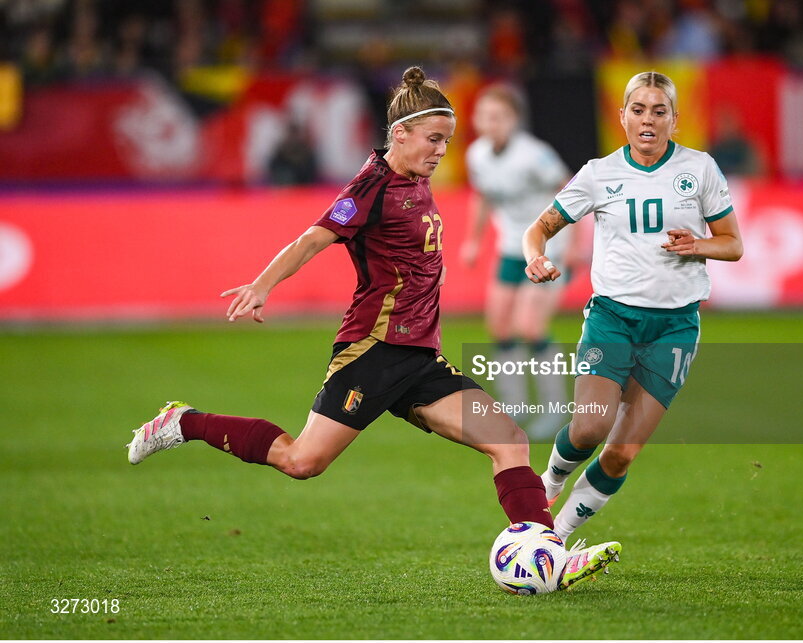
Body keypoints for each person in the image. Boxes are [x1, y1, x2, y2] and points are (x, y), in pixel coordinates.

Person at [125, 67, 620, 589]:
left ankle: (548, 553)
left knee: (509, 441)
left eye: (447, 141)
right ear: (399, 133)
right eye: (433, 139)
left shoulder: (418, 180)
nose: (440, 151)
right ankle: (183, 422)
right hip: (374, 351)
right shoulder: (370, 187)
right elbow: (312, 239)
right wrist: (262, 285)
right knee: (301, 461)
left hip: (419, 359)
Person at [522, 71, 743, 541]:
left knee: (621, 453)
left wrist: (698, 245)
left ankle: (556, 536)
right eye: (638, 110)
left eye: (659, 111)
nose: (648, 120)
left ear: (675, 119)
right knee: (589, 428)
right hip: (613, 318)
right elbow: (537, 228)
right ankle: (551, 481)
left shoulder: (699, 169)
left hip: (675, 327)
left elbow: (733, 244)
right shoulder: (599, 174)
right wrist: (535, 257)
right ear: (621, 116)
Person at [461, 84, 579, 438]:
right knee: (499, 326)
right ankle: (513, 408)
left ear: (514, 119)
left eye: (497, 116)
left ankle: (555, 409)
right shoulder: (477, 154)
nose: (489, 123)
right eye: (484, 116)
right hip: (511, 249)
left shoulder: (535, 155)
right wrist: (473, 240)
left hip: (549, 248)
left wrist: (575, 245)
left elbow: (571, 191)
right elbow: (482, 197)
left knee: (530, 327)